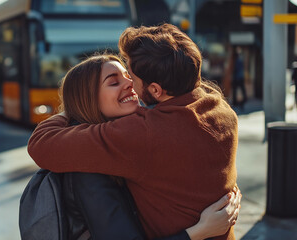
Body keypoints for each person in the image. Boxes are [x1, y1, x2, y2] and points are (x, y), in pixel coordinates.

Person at [28, 24, 238, 239]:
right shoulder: (221, 110)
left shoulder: (143, 132)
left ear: (155, 90)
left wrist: (65, 113)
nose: (129, 84)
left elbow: (41, 143)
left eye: (131, 76)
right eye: (114, 81)